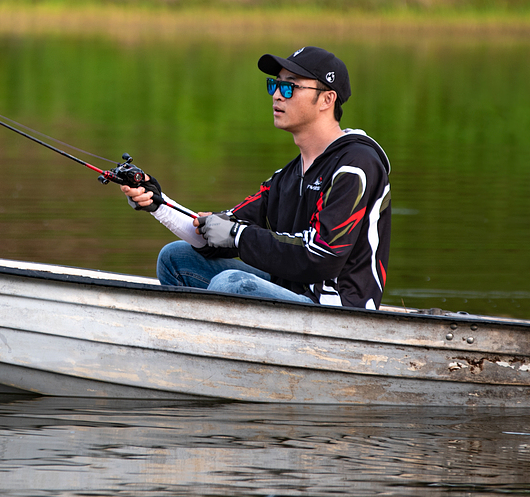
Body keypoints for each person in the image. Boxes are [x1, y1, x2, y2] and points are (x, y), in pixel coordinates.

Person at [122, 46, 391, 309]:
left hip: (338, 309)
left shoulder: (356, 164)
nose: (277, 95)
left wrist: (238, 235)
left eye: (290, 87)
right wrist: (158, 203)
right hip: (291, 292)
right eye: (274, 85)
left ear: (327, 100)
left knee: (231, 284)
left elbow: (322, 257)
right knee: (175, 257)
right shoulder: (286, 177)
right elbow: (217, 235)